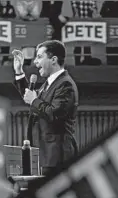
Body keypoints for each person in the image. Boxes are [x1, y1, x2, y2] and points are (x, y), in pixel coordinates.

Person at [12, 40, 79, 175]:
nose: (35, 62)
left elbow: (54, 114)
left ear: (53, 60)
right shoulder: (50, 83)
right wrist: (19, 72)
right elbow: (31, 97)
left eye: (40, 57)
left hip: (57, 157)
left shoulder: (65, 85)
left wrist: (35, 101)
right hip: (46, 156)